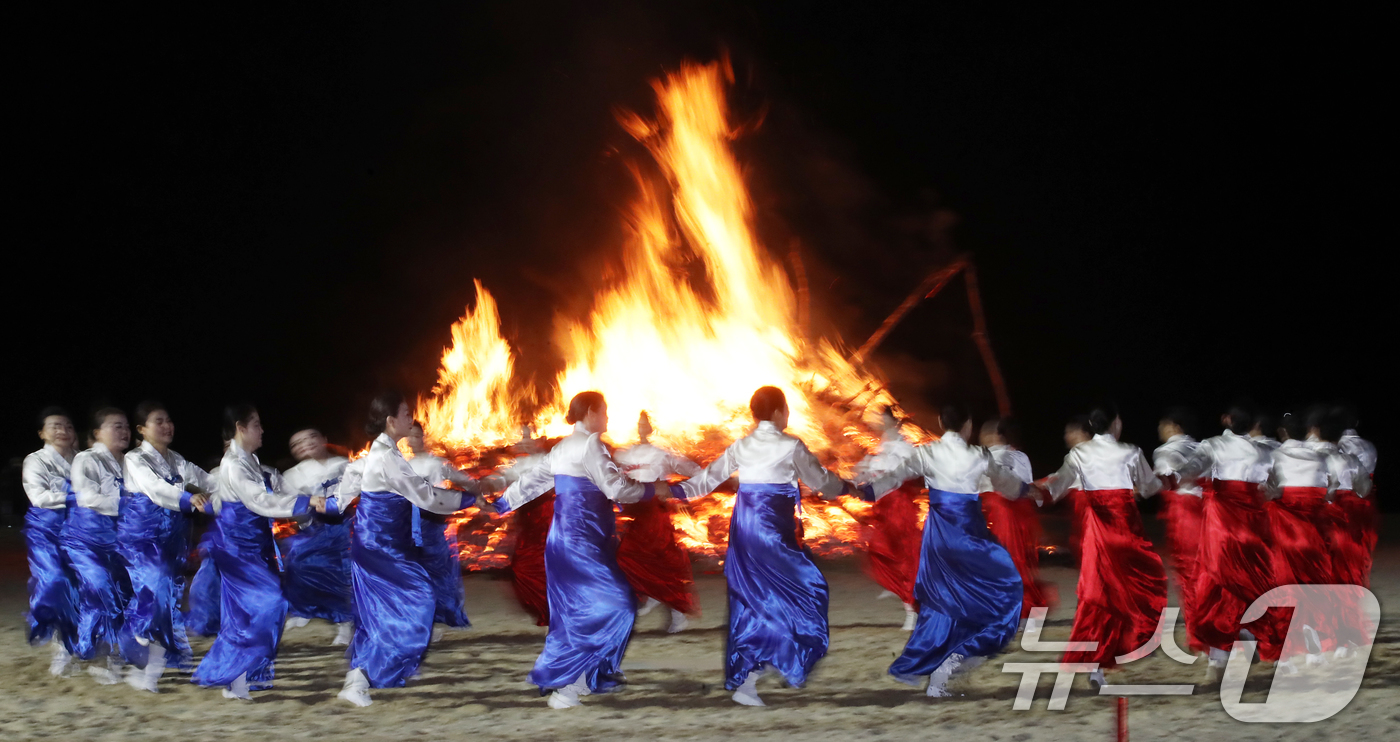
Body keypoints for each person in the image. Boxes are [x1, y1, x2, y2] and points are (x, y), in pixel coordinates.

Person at [669, 387, 849, 706]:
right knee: (810, 588)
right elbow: (821, 481)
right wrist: (847, 487)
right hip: (772, 531)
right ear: (779, 412)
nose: (789, 414)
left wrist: (673, 491)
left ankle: (751, 678)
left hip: (746, 528)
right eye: (786, 409)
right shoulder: (790, 445)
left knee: (753, 600)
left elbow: (705, 480)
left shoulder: (742, 445)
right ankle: (783, 660)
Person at [496, 391, 666, 709]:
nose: (607, 417)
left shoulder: (562, 447)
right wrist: (650, 490)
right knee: (619, 606)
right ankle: (574, 684)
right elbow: (614, 488)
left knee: (572, 614)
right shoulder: (591, 445)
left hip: (561, 542)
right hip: (583, 541)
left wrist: (503, 502)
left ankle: (579, 677)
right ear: (590, 413)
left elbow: (533, 481)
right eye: (604, 411)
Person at [861, 402, 1022, 698]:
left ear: (939, 421)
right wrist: (1024, 490)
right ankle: (948, 670)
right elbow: (1007, 484)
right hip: (971, 534)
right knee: (1004, 590)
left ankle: (938, 674)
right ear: (968, 425)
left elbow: (895, 476)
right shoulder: (979, 454)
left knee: (943, 602)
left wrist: (869, 490)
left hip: (939, 536)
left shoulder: (927, 452)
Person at [331, 391, 479, 707]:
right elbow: (425, 496)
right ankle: (362, 677)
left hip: (384, 545)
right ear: (390, 420)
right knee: (420, 599)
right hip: (380, 547)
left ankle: (361, 678)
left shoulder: (388, 454)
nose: (410, 419)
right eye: (406, 413)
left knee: (382, 615)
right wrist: (469, 500)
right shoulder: (385, 457)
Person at [192, 405, 319, 700]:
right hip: (238, 550)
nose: (262, 430)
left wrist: (306, 505)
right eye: (257, 425)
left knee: (246, 615)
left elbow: (272, 493)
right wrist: (303, 504)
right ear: (241, 427)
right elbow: (259, 501)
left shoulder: (250, 460)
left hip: (256, 547)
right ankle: (226, 672)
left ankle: (237, 681)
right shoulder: (233, 465)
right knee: (271, 604)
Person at [1041, 407, 1166, 687]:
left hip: (1097, 533)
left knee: (1098, 596)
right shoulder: (1131, 452)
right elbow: (1149, 487)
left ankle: (1095, 664)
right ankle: (1121, 649)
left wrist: (1030, 491)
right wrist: (1156, 484)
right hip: (1126, 532)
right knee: (1140, 586)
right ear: (1115, 424)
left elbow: (1055, 488)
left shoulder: (1078, 454)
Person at [1178, 404, 1286, 676]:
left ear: (1226, 420)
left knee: (1216, 584)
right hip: (1253, 523)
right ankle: (1250, 634)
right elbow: (1276, 488)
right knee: (1254, 581)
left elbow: (1189, 471)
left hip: (1222, 523)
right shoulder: (1266, 451)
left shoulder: (1212, 445)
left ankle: (1218, 658)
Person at [119, 400, 216, 689]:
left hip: (173, 539)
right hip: (142, 540)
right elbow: (156, 489)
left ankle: (147, 674)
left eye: (168, 420)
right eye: (158, 421)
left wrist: (237, 485)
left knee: (168, 601)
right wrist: (188, 498)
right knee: (157, 588)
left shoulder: (177, 460)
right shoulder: (135, 459)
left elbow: (206, 481)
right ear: (141, 429)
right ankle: (133, 642)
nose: (166, 426)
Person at [613, 411, 702, 633]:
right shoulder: (627, 453)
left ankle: (671, 608)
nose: (642, 428)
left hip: (656, 511)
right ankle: (656, 596)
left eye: (646, 424)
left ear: (651, 429)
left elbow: (692, 469)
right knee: (638, 557)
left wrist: (678, 490)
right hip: (640, 511)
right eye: (639, 424)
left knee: (649, 557)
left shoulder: (660, 454)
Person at [64, 407, 134, 684]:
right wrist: (131, 505)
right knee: (103, 594)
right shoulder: (86, 459)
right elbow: (88, 498)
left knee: (116, 598)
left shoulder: (131, 463)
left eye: (126, 426)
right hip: (86, 542)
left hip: (118, 544)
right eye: (116, 426)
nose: (124, 431)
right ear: (97, 433)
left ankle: (81, 649)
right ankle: (104, 657)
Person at [405, 420, 492, 635]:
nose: (412, 440)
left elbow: (466, 480)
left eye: (417, 435)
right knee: (412, 572)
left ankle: (437, 619)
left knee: (436, 570)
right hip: (407, 523)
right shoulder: (402, 464)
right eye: (409, 436)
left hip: (433, 522)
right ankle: (419, 619)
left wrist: (476, 496)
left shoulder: (437, 464)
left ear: (423, 437)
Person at [1264, 411, 1334, 670]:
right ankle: (1314, 650)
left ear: (1282, 433)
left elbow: (1268, 488)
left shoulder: (1275, 456)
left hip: (1285, 529)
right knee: (1313, 590)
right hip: (1313, 532)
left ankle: (1283, 655)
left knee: (1284, 590)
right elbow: (1330, 491)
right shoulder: (1321, 457)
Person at [978, 417, 1053, 632]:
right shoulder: (985, 457)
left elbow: (1024, 487)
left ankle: (1024, 612)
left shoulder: (1013, 457)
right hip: (993, 515)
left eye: (988, 434)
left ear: (997, 436)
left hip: (1010, 516)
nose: (984, 438)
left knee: (1014, 562)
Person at [21, 407, 81, 675]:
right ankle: (43, 623)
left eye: (68, 425)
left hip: (81, 532)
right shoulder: (35, 461)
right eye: (55, 426)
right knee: (56, 581)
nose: (63, 430)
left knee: (80, 589)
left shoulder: (83, 460)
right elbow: (40, 497)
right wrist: (79, 496)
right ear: (42, 433)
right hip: (46, 533)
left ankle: (68, 647)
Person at [282, 428, 354, 645]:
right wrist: (308, 525)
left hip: (347, 525)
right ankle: (305, 609)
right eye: (297, 443)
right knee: (297, 560)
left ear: (324, 439)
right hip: (317, 528)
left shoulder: (345, 465)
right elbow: (294, 509)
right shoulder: (291, 475)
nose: (305, 444)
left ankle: (346, 621)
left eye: (311, 438)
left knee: (344, 570)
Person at [854, 406, 921, 630]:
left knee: (905, 560)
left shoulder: (904, 446)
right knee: (878, 554)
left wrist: (879, 466)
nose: (875, 422)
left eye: (880, 418)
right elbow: (866, 478)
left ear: (892, 421)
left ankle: (911, 609)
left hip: (900, 508)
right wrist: (861, 473)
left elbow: (910, 472)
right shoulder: (880, 447)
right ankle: (904, 595)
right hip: (883, 509)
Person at [483, 427, 552, 626]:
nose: (526, 440)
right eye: (524, 436)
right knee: (522, 567)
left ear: (541, 439)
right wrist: (489, 482)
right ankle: (547, 608)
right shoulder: (518, 463)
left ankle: (558, 610)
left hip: (548, 518)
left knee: (545, 564)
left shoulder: (551, 461)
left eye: (531, 436)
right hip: (527, 520)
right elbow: (502, 476)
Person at [1151, 407, 1206, 654]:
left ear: (1174, 426)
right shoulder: (1204, 448)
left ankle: (1199, 635)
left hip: (1184, 513)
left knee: (1186, 576)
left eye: (1162, 425)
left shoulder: (1164, 451)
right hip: (1210, 512)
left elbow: (1164, 480)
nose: (1160, 431)